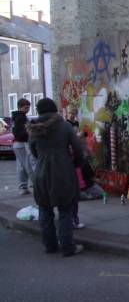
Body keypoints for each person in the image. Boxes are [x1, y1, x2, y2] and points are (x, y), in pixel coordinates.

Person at [27, 98, 84, 257]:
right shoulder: (64, 126)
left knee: (44, 210)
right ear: (54, 109)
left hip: (41, 173)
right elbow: (78, 149)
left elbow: (33, 151)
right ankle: (67, 247)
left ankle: (50, 245)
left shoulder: (33, 129)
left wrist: (43, 160)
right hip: (62, 170)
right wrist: (75, 163)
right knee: (65, 209)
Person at [12, 98, 35, 195]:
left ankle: (23, 186)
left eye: (28, 107)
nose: (27, 109)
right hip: (22, 143)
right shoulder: (21, 118)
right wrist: (28, 134)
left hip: (17, 144)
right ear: (20, 107)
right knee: (28, 164)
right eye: (26, 107)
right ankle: (35, 184)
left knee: (21, 165)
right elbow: (19, 132)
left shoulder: (17, 117)